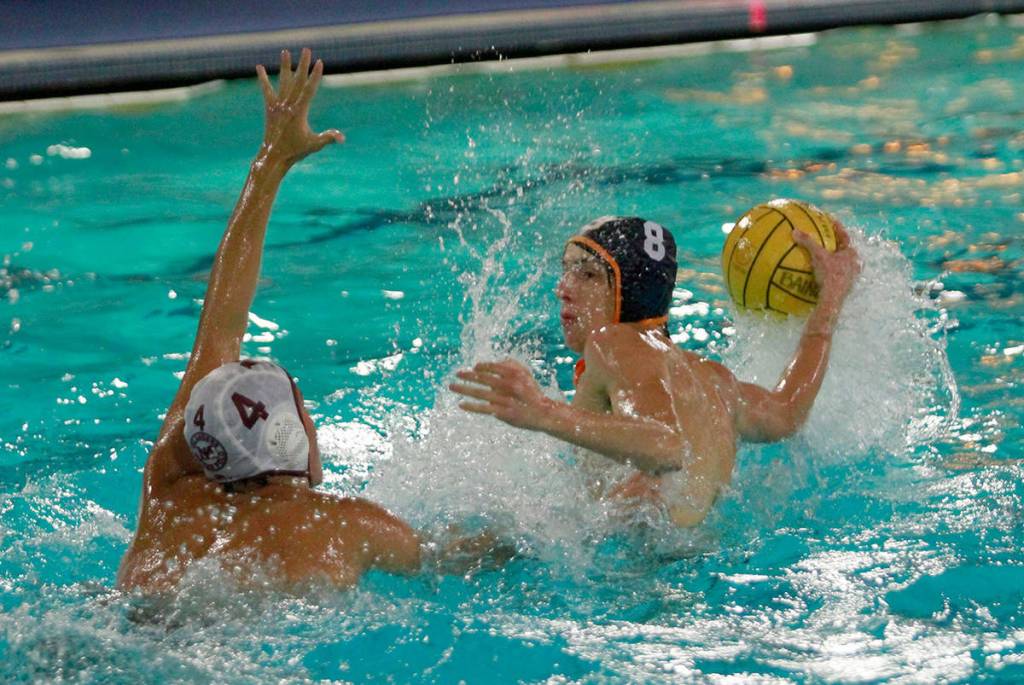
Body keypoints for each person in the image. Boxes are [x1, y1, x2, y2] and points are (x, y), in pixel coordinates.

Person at [118, 50, 501, 593]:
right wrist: (522, 536)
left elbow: (219, 327)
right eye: (301, 407)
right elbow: (452, 562)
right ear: (286, 434)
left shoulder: (167, 494)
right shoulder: (343, 524)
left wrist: (270, 161)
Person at [450, 215, 860, 527]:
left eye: (588, 273)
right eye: (566, 268)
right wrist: (830, 303)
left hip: (631, 576)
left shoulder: (613, 343)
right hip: (693, 572)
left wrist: (544, 412)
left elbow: (667, 446)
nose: (564, 287)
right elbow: (788, 410)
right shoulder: (713, 378)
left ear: (629, 290)